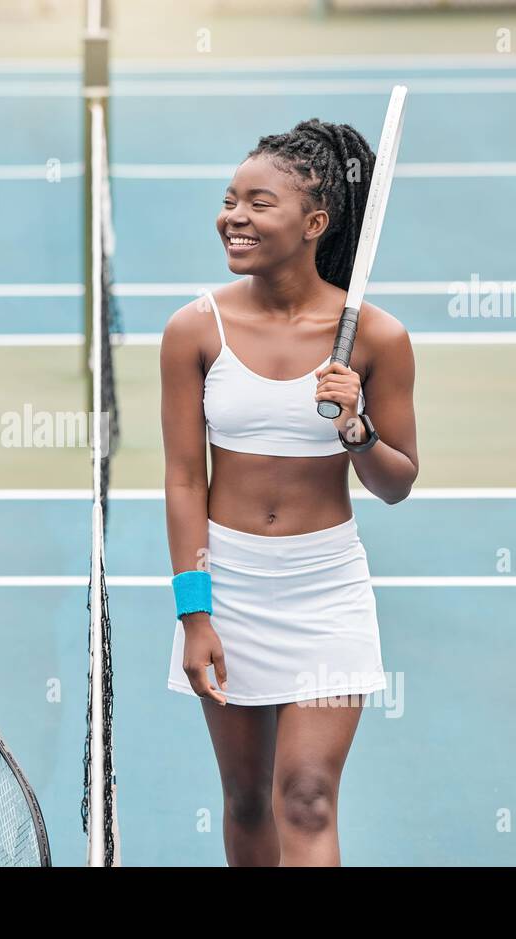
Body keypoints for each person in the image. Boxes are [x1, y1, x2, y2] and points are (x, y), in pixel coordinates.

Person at [160, 119, 418, 866]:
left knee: (304, 794)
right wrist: (193, 610)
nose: (233, 217)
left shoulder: (376, 337)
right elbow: (183, 478)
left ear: (314, 223)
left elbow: (397, 483)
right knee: (246, 800)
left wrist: (358, 427)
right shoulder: (193, 329)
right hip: (227, 588)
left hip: (326, 588)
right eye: (229, 200)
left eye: (257, 203)